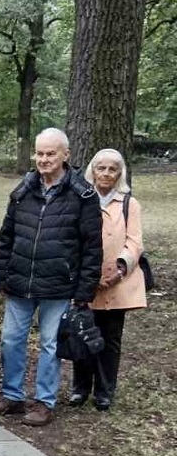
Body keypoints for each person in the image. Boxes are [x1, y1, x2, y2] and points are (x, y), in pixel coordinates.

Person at [0, 128, 102, 426]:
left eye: (51, 154)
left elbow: (92, 248)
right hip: (21, 281)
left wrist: (85, 290)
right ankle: (12, 396)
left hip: (60, 285)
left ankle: (43, 401)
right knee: (11, 340)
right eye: (40, 153)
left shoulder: (83, 195)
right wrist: (1, 276)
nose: (44, 159)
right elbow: (6, 236)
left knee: (51, 344)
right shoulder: (23, 189)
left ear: (66, 155)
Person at [70, 149, 147, 412]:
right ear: (93, 170)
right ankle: (80, 388)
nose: (106, 173)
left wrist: (119, 270)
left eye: (112, 169)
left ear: (119, 173)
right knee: (82, 334)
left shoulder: (129, 203)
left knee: (110, 339)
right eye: (101, 168)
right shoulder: (81, 199)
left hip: (118, 282)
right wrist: (89, 274)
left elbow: (135, 242)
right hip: (86, 280)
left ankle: (104, 391)